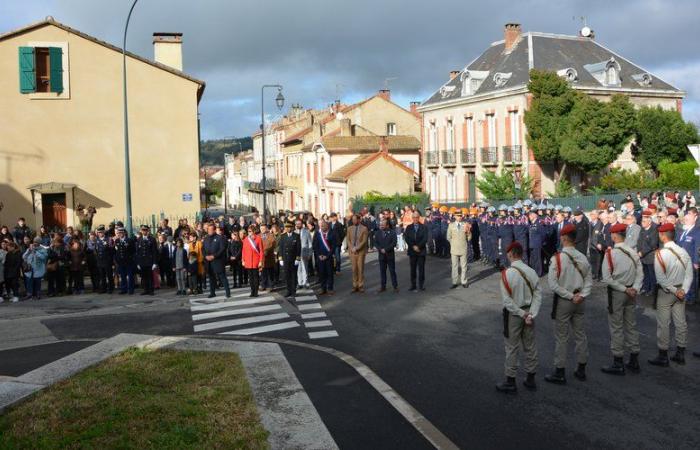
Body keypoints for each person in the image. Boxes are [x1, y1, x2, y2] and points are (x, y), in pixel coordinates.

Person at [545, 223, 592, 385]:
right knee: (580, 335)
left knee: (561, 337)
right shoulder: (583, 257)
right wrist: (581, 295)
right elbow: (588, 280)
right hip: (580, 300)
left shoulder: (557, 258)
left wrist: (570, 296)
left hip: (565, 301)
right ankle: (581, 368)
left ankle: (560, 371)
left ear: (564, 239)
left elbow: (553, 284)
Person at [496, 241, 542, 394]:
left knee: (512, 347)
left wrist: (522, 314)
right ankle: (530, 378)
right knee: (530, 346)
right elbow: (538, 294)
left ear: (510, 255)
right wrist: (531, 314)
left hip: (515, 314)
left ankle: (511, 380)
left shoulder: (506, 274)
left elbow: (507, 301)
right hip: (529, 313)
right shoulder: (531, 271)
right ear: (521, 254)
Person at [600, 223, 643, 375]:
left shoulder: (610, 254)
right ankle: (634, 358)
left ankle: (618, 361)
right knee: (631, 325)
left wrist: (625, 289)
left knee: (616, 326)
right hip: (631, 292)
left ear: (613, 236)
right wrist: (635, 288)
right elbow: (640, 273)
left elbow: (606, 278)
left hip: (618, 293)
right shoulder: (632, 252)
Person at [649, 222, 692, 366]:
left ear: (662, 236)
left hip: (667, 292)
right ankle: (680, 353)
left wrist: (675, 290)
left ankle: (663, 355)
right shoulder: (683, 251)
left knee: (663, 324)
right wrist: (683, 290)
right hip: (680, 291)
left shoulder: (661, 254)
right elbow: (689, 274)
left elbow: (661, 279)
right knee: (680, 322)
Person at [202, 223, 231, 298]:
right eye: (208, 229)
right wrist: (205, 256)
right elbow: (203, 249)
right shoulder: (206, 238)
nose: (209, 231)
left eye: (211, 229)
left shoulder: (220, 238)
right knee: (211, 278)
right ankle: (212, 293)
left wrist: (214, 256)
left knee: (222, 277)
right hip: (209, 261)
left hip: (218, 261)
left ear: (214, 230)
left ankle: (228, 293)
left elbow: (222, 249)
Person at [345, 214, 369, 293]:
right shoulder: (349, 228)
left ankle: (360, 285)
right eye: (353, 219)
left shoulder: (364, 228)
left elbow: (364, 240)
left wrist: (357, 248)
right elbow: (348, 240)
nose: (353, 221)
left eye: (355, 219)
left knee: (360, 269)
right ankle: (355, 285)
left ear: (359, 220)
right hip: (352, 252)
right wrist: (352, 247)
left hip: (360, 252)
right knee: (354, 269)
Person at [404, 211, 428, 291]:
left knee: (421, 269)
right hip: (412, 251)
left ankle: (421, 285)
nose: (415, 219)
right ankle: (413, 285)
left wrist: (418, 246)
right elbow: (407, 238)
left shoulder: (424, 227)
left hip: (421, 251)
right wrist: (413, 246)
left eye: (417, 217)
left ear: (419, 218)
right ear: (412, 218)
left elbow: (425, 238)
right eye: (414, 217)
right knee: (413, 269)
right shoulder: (409, 227)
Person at [277, 222, 301, 298]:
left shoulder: (296, 236)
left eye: (289, 227)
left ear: (292, 228)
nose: (288, 228)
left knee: (293, 275)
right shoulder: (283, 236)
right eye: (286, 227)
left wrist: (298, 258)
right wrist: (280, 258)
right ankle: (288, 291)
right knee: (287, 276)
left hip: (293, 259)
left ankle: (293, 291)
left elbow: (298, 248)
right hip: (285, 259)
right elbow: (280, 248)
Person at [374, 218, 398, 293]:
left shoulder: (392, 232)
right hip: (381, 256)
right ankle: (383, 287)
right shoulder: (377, 233)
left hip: (390, 255)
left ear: (387, 225)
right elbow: (375, 243)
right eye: (380, 225)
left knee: (392, 271)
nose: (381, 226)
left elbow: (394, 243)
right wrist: (380, 249)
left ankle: (395, 286)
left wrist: (386, 249)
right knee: (382, 272)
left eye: (383, 225)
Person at [447, 211, 470, 288]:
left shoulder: (465, 225)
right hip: (454, 249)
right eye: (458, 216)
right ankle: (454, 282)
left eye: (460, 215)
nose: (459, 217)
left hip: (463, 248)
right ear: (455, 216)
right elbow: (448, 237)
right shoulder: (451, 225)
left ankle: (464, 281)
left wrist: (469, 232)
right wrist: (453, 243)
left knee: (464, 266)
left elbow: (469, 238)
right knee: (454, 266)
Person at [313, 220, 336, 295]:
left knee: (329, 273)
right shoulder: (317, 234)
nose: (322, 227)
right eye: (321, 226)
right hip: (320, 257)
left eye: (323, 226)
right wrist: (319, 255)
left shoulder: (332, 234)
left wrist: (327, 255)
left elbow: (333, 246)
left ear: (327, 226)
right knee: (322, 273)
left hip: (328, 257)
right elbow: (315, 245)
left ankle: (330, 288)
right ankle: (323, 288)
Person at [638, 211, 658, 295]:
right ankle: (645, 288)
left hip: (650, 256)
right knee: (645, 274)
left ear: (649, 222)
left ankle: (652, 290)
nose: (642, 223)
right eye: (642, 221)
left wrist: (642, 252)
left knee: (651, 274)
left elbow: (652, 244)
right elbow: (639, 241)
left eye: (644, 221)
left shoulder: (654, 230)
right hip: (642, 257)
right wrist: (638, 251)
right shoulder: (642, 229)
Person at [135, 225, 158, 295]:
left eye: (145, 230)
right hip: (142, 261)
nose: (144, 231)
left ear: (148, 231)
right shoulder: (139, 239)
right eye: (143, 230)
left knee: (150, 276)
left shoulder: (152, 239)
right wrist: (138, 263)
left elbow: (154, 251)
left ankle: (151, 290)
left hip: (149, 261)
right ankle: (145, 290)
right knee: (144, 277)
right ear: (141, 231)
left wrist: (154, 262)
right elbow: (137, 252)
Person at [242, 224, 263, 297]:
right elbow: (243, 251)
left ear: (254, 231)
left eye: (250, 231)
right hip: (248, 261)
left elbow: (261, 251)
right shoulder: (245, 239)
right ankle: (252, 291)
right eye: (248, 231)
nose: (249, 232)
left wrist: (260, 261)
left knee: (256, 277)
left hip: (255, 261)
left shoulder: (258, 238)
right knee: (250, 278)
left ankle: (256, 291)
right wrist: (243, 260)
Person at [114, 227, 136, 295]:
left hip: (128, 261)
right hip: (121, 261)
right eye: (119, 233)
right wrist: (117, 260)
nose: (120, 234)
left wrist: (131, 259)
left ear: (124, 233)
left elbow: (133, 250)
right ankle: (124, 289)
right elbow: (117, 251)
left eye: (121, 233)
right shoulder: (117, 241)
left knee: (130, 276)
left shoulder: (129, 240)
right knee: (122, 276)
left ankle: (131, 289)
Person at [94, 225, 115, 294]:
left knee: (109, 275)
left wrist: (111, 260)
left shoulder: (108, 239)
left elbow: (112, 251)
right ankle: (104, 288)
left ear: (104, 232)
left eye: (101, 232)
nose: (100, 234)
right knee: (102, 276)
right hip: (100, 260)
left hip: (107, 260)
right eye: (99, 232)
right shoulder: (96, 240)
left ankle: (111, 288)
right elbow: (96, 250)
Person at [260, 224, 276, 292]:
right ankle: (263, 285)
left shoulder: (271, 236)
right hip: (262, 258)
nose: (262, 230)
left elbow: (272, 244)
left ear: (266, 229)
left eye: (264, 228)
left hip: (269, 257)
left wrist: (266, 250)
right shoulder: (258, 236)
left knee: (270, 273)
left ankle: (270, 286)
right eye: (261, 228)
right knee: (263, 273)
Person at [297, 219, 313, 290]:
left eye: (299, 224)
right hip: (297, 254)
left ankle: (305, 282)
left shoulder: (306, 232)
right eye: (297, 224)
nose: (298, 225)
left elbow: (310, 243)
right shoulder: (294, 232)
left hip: (305, 253)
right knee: (298, 269)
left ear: (302, 224)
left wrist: (310, 253)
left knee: (304, 268)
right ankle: (300, 283)